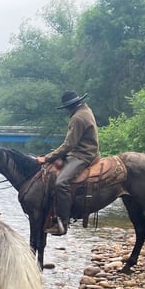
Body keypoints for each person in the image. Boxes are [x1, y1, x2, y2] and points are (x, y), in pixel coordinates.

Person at [41, 90, 99, 236]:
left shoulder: (78, 118)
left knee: (61, 183)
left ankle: (63, 222)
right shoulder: (85, 110)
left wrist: (47, 157)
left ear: (70, 106)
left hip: (83, 154)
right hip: (83, 151)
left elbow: (68, 145)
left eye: (67, 107)